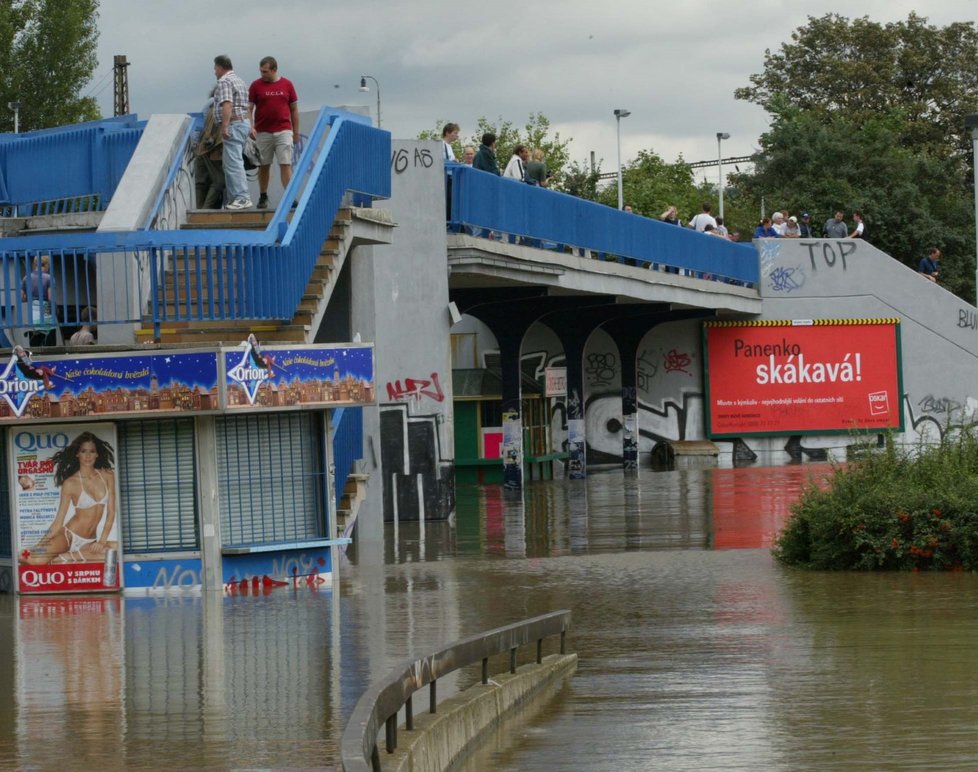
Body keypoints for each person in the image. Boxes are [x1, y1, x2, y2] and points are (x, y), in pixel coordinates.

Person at [19, 432, 118, 566]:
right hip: (68, 536)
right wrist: (38, 545)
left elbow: (111, 512)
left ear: (97, 454)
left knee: (116, 549)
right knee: (33, 559)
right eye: (83, 451)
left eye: (92, 451)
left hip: (90, 541)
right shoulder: (70, 483)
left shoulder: (107, 475)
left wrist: (102, 541)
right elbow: (58, 521)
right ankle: (52, 555)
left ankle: (63, 558)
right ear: (77, 454)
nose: (88, 456)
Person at [248, 56, 299, 210]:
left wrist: (295, 132)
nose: (262, 74)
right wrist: (251, 126)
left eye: (265, 72)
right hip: (262, 131)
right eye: (261, 71)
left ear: (274, 70)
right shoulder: (255, 86)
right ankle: (263, 196)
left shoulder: (287, 84)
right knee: (263, 165)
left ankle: (290, 197)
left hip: (284, 130)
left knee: (285, 163)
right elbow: (249, 109)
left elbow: (294, 109)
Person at [213, 55, 252, 210]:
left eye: (215, 68)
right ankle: (235, 198)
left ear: (221, 67)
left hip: (234, 125)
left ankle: (242, 197)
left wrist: (225, 126)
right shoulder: (239, 80)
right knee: (232, 162)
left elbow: (227, 104)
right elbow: (247, 106)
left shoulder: (224, 81)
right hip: (243, 123)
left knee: (233, 163)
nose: (214, 72)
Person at [194, 89, 226, 209]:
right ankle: (204, 211)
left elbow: (199, 124)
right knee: (219, 181)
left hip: (202, 147)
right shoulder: (215, 102)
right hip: (211, 148)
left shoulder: (211, 103)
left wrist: (196, 144)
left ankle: (200, 211)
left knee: (201, 183)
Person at [21, 254, 56, 346]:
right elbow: (50, 298)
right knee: (50, 344)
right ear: (46, 264)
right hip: (46, 313)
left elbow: (22, 298)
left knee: (35, 343)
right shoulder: (49, 278)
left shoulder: (26, 278)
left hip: (33, 315)